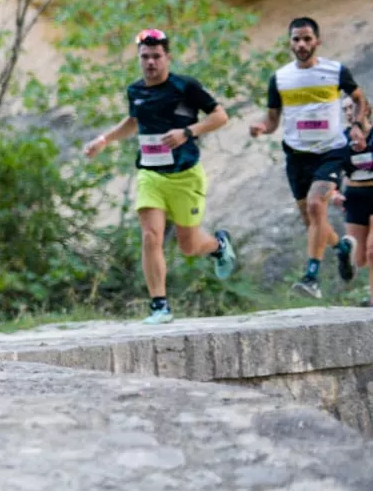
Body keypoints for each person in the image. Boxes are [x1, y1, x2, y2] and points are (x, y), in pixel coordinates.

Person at [83, 28, 238, 323]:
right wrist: (104, 139)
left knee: (188, 246)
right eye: (145, 57)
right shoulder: (135, 91)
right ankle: (159, 305)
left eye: (156, 56)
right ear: (139, 59)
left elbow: (220, 116)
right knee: (150, 236)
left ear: (167, 57)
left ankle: (219, 246)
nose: (150, 62)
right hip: (150, 175)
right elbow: (133, 121)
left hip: (185, 176)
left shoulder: (186, 86)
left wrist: (187, 132)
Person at [250, 17, 367, 298]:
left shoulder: (335, 71)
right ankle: (341, 248)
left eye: (306, 38)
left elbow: (360, 98)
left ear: (317, 41)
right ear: (290, 43)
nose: (301, 44)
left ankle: (311, 277)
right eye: (296, 39)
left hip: (331, 151)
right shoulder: (280, 78)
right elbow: (274, 119)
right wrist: (262, 127)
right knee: (311, 220)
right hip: (297, 155)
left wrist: (357, 125)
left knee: (317, 205)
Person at [335, 118, 373, 307]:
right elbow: (332, 166)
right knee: (360, 258)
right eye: (346, 109)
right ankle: (345, 252)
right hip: (355, 196)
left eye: (354, 107)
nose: (350, 113)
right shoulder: (342, 138)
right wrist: (333, 192)